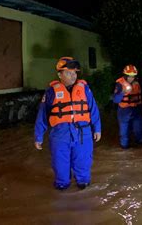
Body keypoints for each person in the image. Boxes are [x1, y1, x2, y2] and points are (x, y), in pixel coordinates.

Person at [34, 57, 101, 190]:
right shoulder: (51, 92)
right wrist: (38, 136)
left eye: (75, 73)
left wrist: (97, 128)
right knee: (60, 166)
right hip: (60, 134)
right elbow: (42, 115)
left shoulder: (85, 90)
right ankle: (62, 189)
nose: (73, 76)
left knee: (83, 164)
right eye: (69, 73)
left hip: (83, 133)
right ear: (60, 74)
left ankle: (83, 187)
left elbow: (93, 109)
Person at [113, 64, 142, 149]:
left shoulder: (138, 83)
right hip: (124, 110)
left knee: (138, 130)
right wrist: (122, 92)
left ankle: (140, 146)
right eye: (129, 76)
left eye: (133, 76)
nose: (131, 78)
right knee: (124, 133)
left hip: (136, 109)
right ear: (125, 75)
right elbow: (116, 100)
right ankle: (124, 148)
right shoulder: (119, 84)